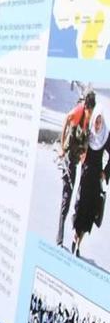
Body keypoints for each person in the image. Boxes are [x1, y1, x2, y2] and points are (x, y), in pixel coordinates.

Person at [57, 90, 95, 248]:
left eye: (92, 112)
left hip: (75, 161)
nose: (90, 114)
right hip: (68, 160)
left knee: (70, 196)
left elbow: (86, 140)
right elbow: (66, 119)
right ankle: (59, 238)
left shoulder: (88, 118)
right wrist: (61, 145)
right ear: (86, 107)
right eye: (89, 111)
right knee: (67, 196)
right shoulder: (79, 110)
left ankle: (61, 236)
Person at [71, 105, 110, 257]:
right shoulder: (89, 134)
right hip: (85, 175)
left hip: (95, 179)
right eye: (96, 121)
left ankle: (78, 243)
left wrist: (105, 173)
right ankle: (75, 235)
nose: (98, 124)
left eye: (100, 121)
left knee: (89, 211)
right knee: (80, 206)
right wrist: (79, 155)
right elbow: (79, 146)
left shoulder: (105, 136)